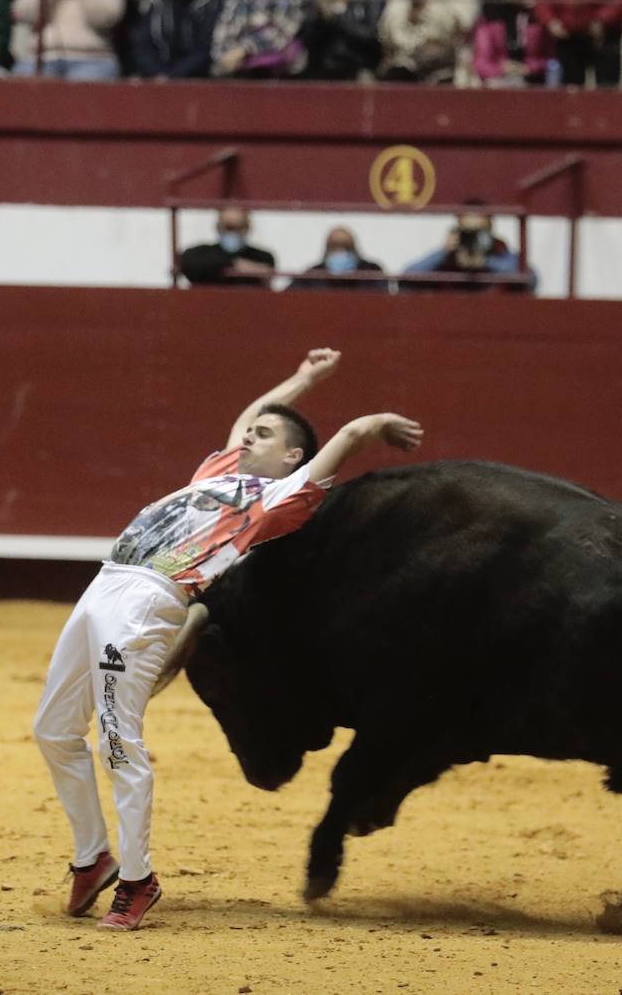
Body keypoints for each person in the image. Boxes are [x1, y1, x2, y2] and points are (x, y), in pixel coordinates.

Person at [34, 347, 425, 931]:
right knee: (54, 729)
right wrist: (305, 377)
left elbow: (349, 435)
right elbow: (251, 415)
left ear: (292, 456)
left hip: (150, 601)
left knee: (119, 743)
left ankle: (138, 882)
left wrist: (374, 425)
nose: (247, 438)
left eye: (263, 436)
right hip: (104, 585)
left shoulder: (282, 499)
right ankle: (93, 858)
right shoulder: (219, 472)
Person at [401, 202, 535, 291]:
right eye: (467, 232)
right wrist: (443, 252)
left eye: (478, 232)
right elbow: (406, 278)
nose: (472, 238)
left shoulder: (500, 252)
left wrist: (487, 262)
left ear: (490, 231)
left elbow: (531, 279)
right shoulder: (447, 257)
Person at [472, 0, 550, 86]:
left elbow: (551, 59)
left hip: (535, 82)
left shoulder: (538, 16)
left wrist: (530, 68)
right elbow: (481, 61)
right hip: (498, 82)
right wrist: (501, 68)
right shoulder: (489, 17)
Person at [179, 206, 278, 287]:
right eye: (228, 227)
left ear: (247, 228)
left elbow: (267, 273)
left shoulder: (262, 257)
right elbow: (187, 262)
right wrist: (234, 264)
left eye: (238, 227)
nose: (233, 232)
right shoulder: (201, 253)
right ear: (218, 227)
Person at [287, 226, 390, 290]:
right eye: (335, 247)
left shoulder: (371, 272)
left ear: (354, 249)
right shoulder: (312, 276)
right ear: (327, 250)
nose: (341, 253)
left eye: (346, 247)